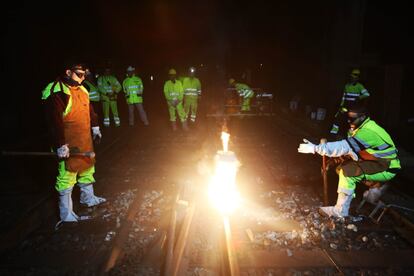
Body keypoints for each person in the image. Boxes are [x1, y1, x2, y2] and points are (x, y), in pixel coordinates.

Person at [298, 104, 401, 218]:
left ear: (363, 117)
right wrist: (333, 162)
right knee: (340, 168)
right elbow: (351, 152)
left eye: (352, 118)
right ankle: (373, 186)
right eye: (348, 117)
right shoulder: (357, 128)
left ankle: (341, 211)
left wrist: (316, 148)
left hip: (387, 167)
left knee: (347, 173)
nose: (349, 121)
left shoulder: (368, 132)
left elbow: (344, 147)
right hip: (376, 162)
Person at [41, 62, 106, 229]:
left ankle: (88, 198)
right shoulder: (57, 91)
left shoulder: (82, 89)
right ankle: (66, 213)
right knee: (67, 175)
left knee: (87, 168)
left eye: (85, 74)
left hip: (84, 139)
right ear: (68, 72)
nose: (83, 78)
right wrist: (60, 144)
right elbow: (53, 121)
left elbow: (89, 109)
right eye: (79, 74)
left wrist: (95, 126)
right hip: (67, 142)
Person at [330, 68, 370, 137]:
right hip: (345, 106)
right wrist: (341, 105)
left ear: (357, 78)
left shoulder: (359, 86)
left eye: (355, 77)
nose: (353, 79)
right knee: (338, 118)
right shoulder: (347, 85)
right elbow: (343, 97)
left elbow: (367, 94)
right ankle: (333, 134)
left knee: (352, 122)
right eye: (352, 77)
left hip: (354, 107)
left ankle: (351, 136)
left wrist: (359, 97)